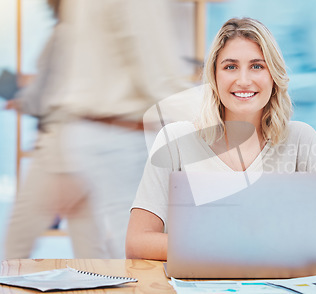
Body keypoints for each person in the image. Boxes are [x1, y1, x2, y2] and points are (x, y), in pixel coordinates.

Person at [126, 17, 316, 261]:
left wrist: (250, 247)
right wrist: (238, 247)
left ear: (273, 76)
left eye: (257, 66)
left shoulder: (301, 139)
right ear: (214, 76)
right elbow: (138, 242)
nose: (244, 80)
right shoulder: (175, 140)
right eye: (230, 67)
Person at [4, 0, 185, 259]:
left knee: (97, 255)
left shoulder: (74, 15)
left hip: (82, 134)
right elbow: (153, 65)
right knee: (128, 254)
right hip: (115, 135)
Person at [214, 0, 316, 140]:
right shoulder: (239, 4)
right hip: (244, 139)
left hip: (293, 140)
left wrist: (271, 84)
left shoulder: (310, 4)